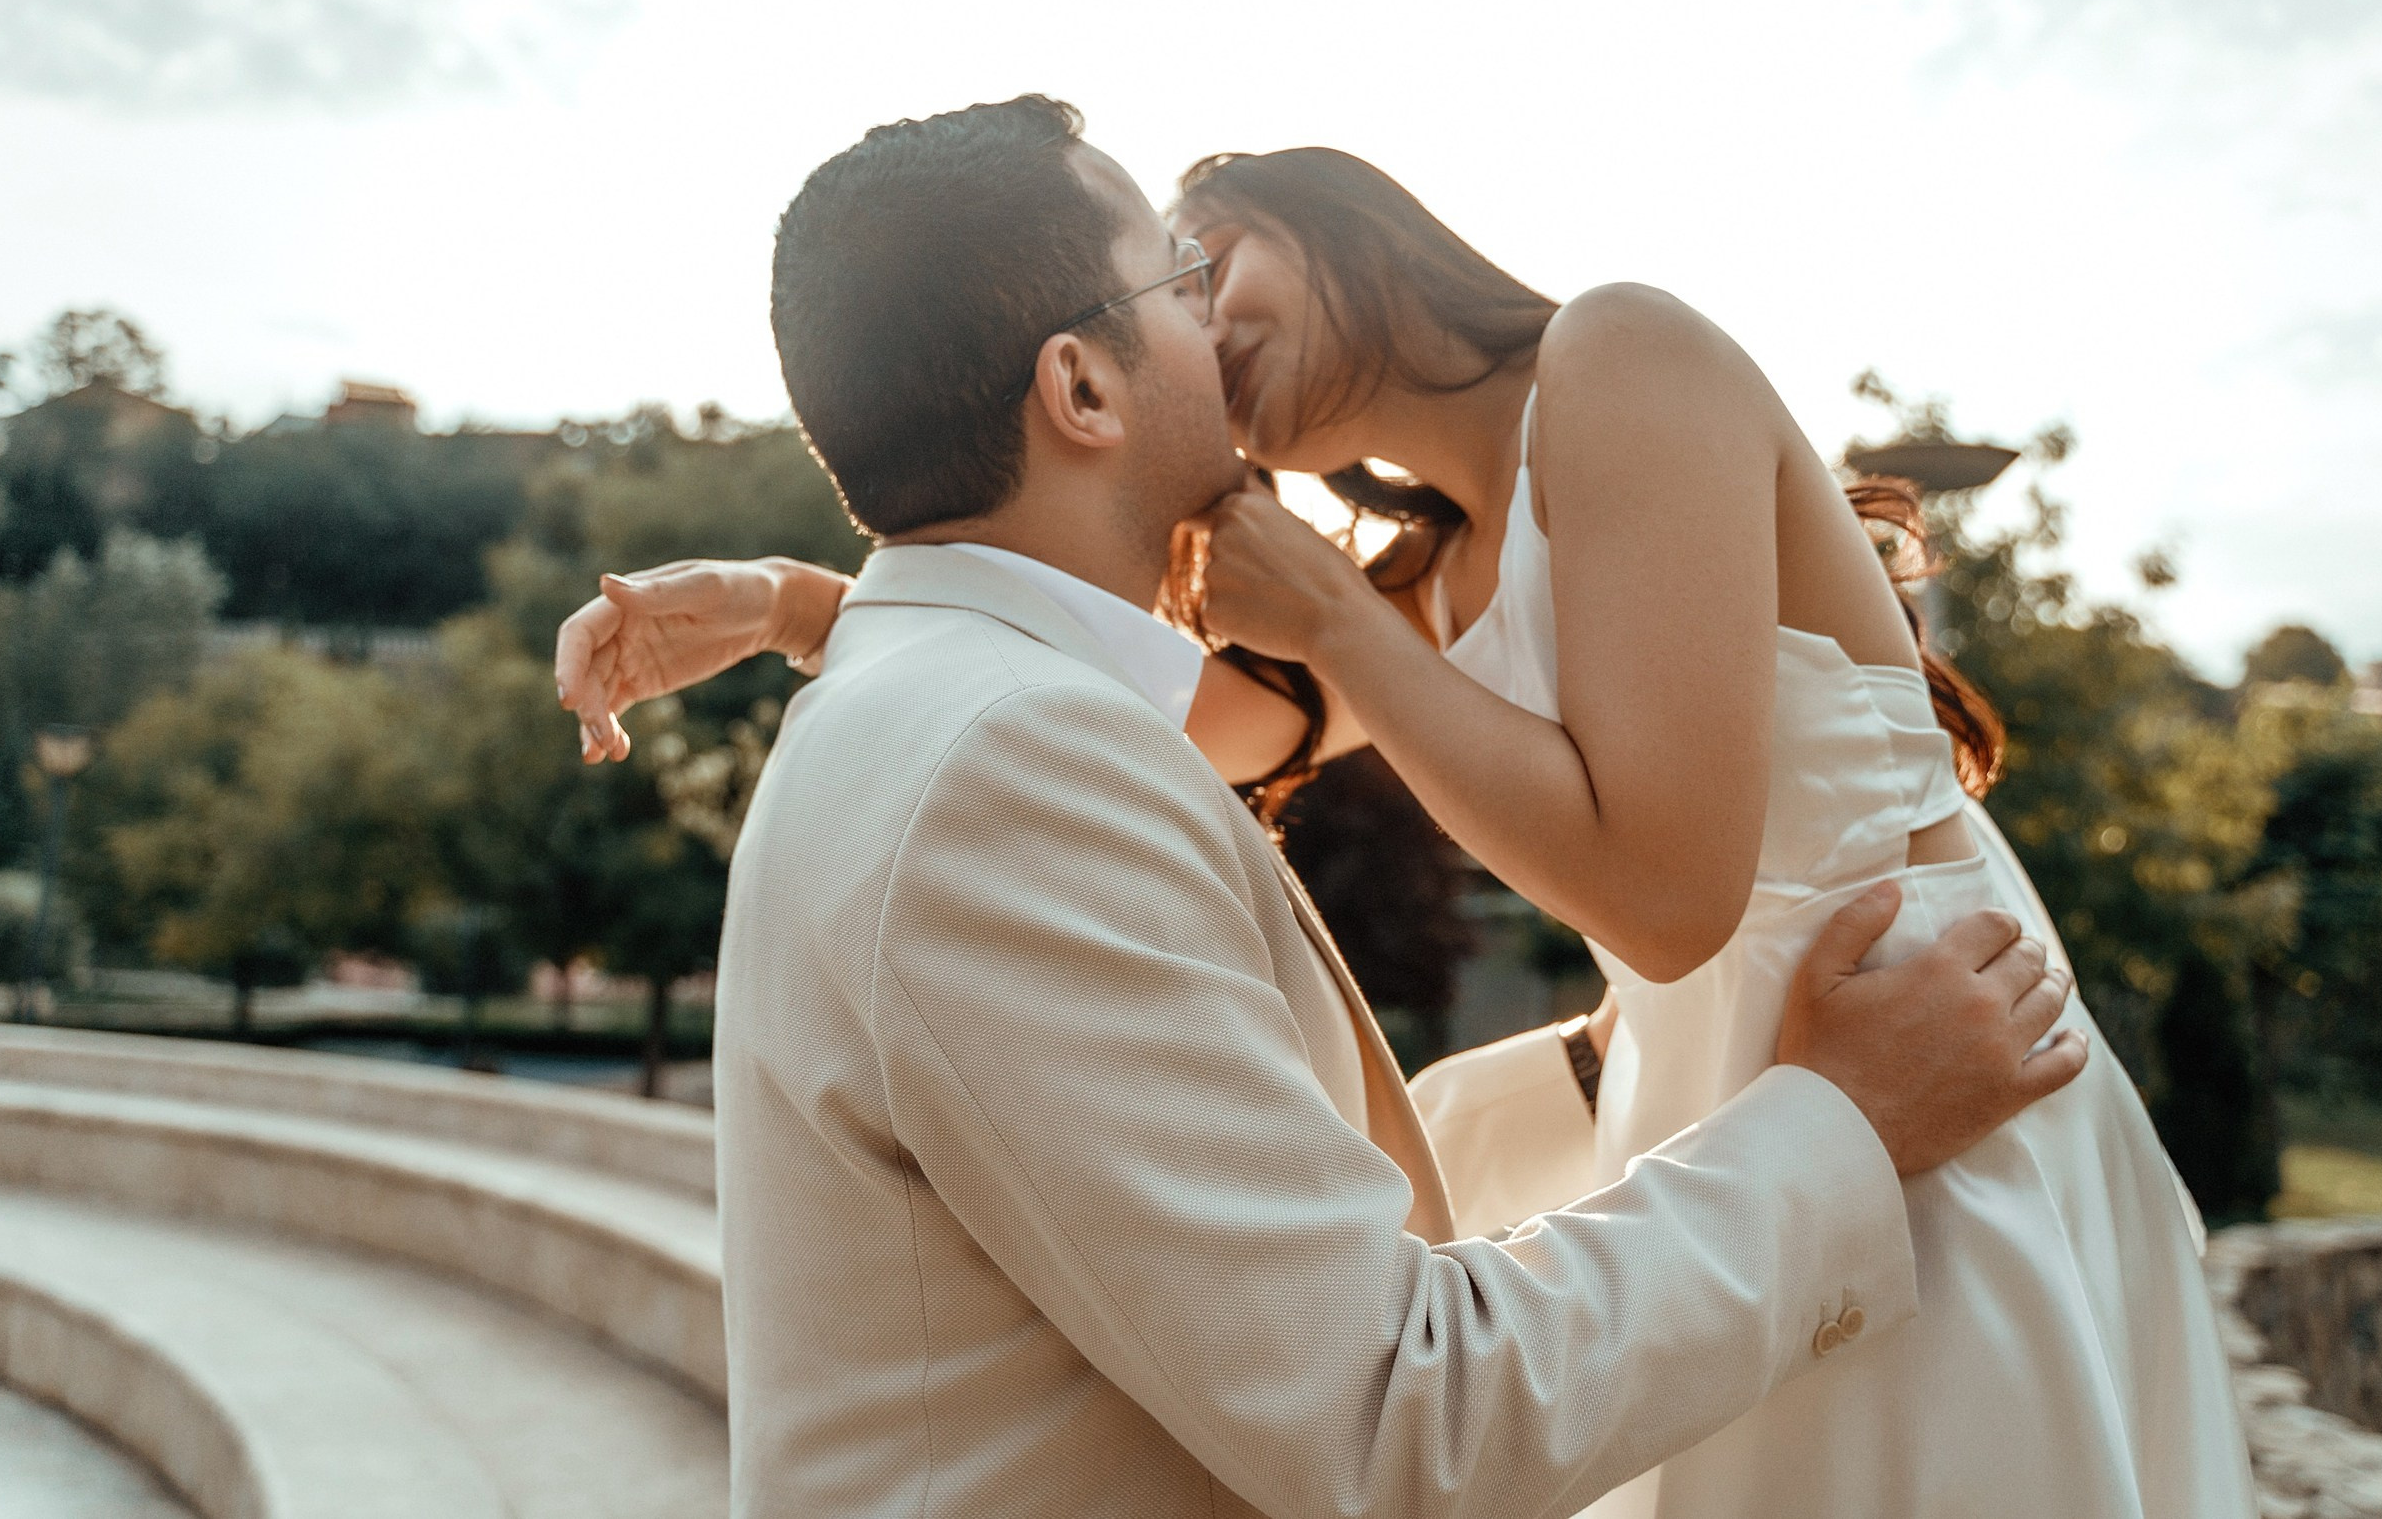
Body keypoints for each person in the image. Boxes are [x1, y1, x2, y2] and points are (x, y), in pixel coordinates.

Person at [566, 118, 2252, 1518]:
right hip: (1788, 1101)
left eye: (1212, 259)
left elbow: (1668, 894)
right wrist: (804, 603)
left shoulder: (1618, 355)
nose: (1207, 320)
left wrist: (1325, 622)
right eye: (1172, 282)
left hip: (1937, 1043)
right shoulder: (1408, 592)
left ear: (1336, 217)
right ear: (1083, 386)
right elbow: (1135, 715)